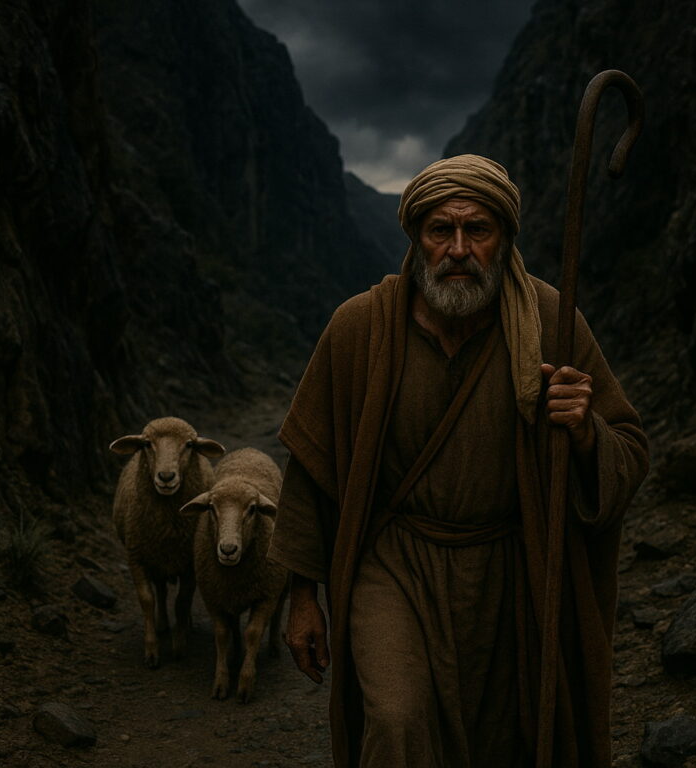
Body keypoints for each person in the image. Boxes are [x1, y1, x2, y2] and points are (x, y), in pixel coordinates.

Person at [267, 154, 648, 768]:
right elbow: (314, 471)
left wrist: (584, 430)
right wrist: (303, 597)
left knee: (508, 735)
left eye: (479, 231)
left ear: (504, 239)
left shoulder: (550, 320)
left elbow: (627, 450)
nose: (460, 249)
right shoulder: (359, 329)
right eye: (441, 231)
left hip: (510, 570)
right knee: (395, 720)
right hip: (395, 563)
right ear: (418, 239)